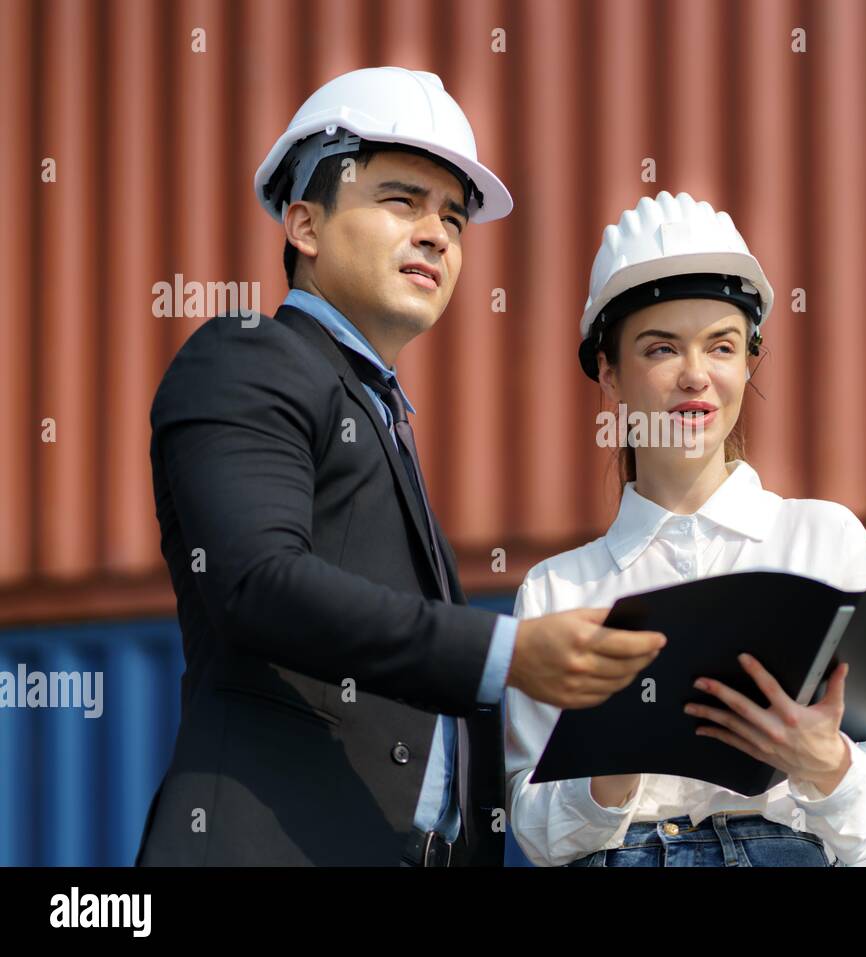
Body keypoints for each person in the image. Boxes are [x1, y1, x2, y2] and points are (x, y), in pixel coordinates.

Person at [136, 67, 664, 866]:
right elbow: (255, 583)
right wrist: (507, 655)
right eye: (400, 201)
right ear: (304, 226)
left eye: (453, 217)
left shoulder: (380, 415)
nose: (438, 234)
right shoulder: (246, 354)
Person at [505, 191, 866, 867]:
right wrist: (609, 763)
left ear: (748, 362)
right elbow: (532, 828)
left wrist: (825, 762)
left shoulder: (826, 541)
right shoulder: (557, 589)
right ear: (610, 373)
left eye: (721, 346)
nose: (696, 375)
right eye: (662, 348)